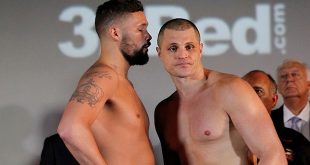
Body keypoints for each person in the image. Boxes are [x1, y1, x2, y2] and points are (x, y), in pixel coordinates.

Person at [154, 18, 287, 165]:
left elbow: (273, 154)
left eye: (189, 46)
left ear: (200, 49)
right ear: (159, 53)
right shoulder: (163, 111)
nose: (183, 55)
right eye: (173, 48)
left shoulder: (231, 89)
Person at [56, 0, 155, 164]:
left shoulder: (120, 80)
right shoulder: (102, 76)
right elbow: (69, 129)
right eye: (140, 29)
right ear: (115, 33)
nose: (148, 36)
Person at [243, 70, 310, 165]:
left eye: (258, 91)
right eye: (243, 92)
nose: (248, 96)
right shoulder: (219, 135)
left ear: (274, 100)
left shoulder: (297, 142)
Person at [271, 59, 310, 141]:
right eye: (283, 76)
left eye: (295, 74)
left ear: (308, 85)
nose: (289, 79)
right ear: (277, 88)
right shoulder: (268, 121)